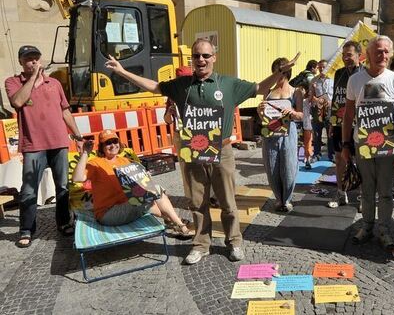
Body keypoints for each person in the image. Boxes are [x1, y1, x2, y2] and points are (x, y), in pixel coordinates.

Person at [105, 38, 298, 264]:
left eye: (206, 56)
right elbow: (154, 86)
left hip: (222, 150)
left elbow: (259, 88)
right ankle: (201, 245)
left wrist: (280, 73)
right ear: (192, 59)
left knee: (227, 201)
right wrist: (122, 71)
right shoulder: (181, 85)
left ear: (214, 58)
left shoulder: (228, 84)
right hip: (193, 152)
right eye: (197, 56)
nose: (201, 60)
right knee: (197, 203)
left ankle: (234, 241)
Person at [5, 45, 85, 248]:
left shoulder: (54, 83)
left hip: (59, 142)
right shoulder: (13, 82)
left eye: (35, 58)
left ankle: (64, 222)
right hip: (33, 145)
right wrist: (32, 79)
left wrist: (77, 135)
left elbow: (65, 111)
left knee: (63, 186)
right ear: (21, 62)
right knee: (29, 190)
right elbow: (18, 102)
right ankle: (26, 229)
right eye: (28, 59)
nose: (33, 61)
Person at [341, 35, 394, 250]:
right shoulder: (355, 80)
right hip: (363, 145)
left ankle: (384, 230)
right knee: (367, 191)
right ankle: (367, 226)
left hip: (388, 147)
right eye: (378, 51)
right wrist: (345, 144)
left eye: (386, 52)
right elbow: (348, 114)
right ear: (368, 54)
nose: (383, 55)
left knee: (386, 192)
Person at [72, 130, 193, 238]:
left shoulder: (125, 161)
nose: (113, 145)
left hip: (127, 205)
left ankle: (175, 222)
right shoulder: (96, 163)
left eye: (115, 141)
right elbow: (77, 178)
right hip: (108, 213)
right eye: (108, 143)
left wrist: (145, 178)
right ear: (102, 147)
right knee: (150, 196)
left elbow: (138, 183)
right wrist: (85, 153)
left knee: (153, 193)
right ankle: (178, 224)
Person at [258, 57, 303, 212]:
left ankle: (287, 199)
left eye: (282, 72)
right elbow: (263, 117)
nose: (278, 75)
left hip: (288, 134)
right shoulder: (268, 92)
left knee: (289, 167)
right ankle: (278, 198)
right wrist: (260, 111)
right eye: (276, 72)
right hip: (270, 134)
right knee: (272, 167)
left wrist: (292, 112)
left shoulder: (296, 92)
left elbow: (301, 115)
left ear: (287, 72)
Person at [327, 41, 363, 208]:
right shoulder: (339, 73)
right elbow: (336, 98)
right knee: (339, 159)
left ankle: (364, 197)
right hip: (338, 123)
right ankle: (341, 193)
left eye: (349, 55)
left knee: (361, 161)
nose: (345, 58)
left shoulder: (365, 74)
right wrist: (331, 122)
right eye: (343, 55)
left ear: (358, 55)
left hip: (358, 124)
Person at [310, 60, 334, 162]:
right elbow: (310, 96)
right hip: (317, 109)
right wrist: (317, 99)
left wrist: (331, 102)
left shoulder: (333, 79)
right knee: (316, 133)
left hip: (330, 109)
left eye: (323, 67)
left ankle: (331, 155)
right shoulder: (314, 80)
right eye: (319, 67)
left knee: (330, 132)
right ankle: (316, 154)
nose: (321, 69)